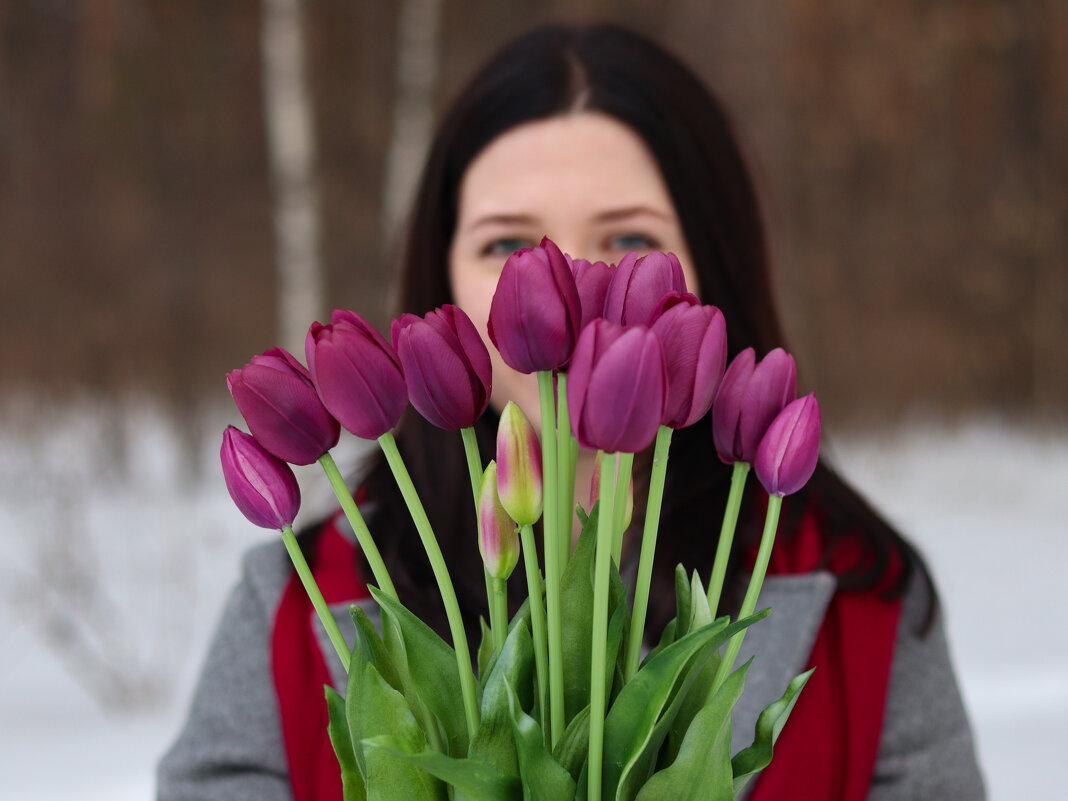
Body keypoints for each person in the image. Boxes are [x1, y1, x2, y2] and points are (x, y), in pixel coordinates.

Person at [158, 22, 985, 801]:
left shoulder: (868, 599)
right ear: (439, 280)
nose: (573, 278)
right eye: (507, 245)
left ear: (712, 263)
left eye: (629, 240)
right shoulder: (295, 604)